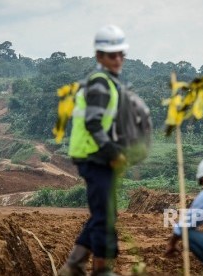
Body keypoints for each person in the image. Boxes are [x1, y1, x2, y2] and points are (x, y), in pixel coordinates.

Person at [58, 24, 130, 276]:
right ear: (99, 56)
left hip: (94, 154)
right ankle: (101, 269)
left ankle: (74, 265)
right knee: (105, 215)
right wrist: (113, 153)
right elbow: (93, 123)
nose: (118, 59)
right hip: (93, 156)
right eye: (112, 55)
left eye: (121, 54)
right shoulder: (100, 83)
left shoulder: (108, 83)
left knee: (104, 212)